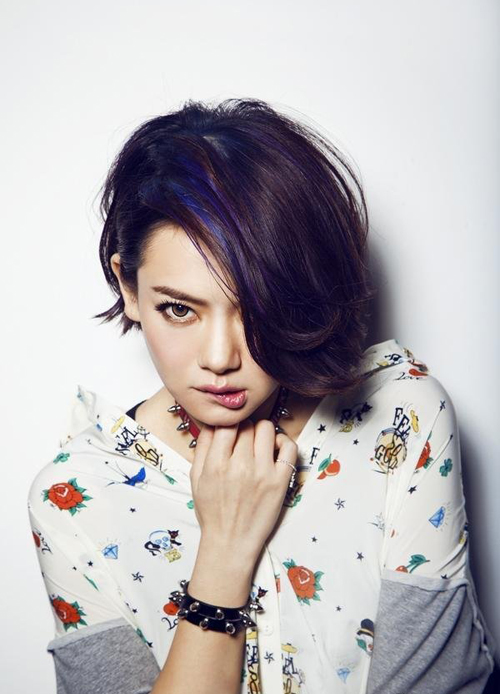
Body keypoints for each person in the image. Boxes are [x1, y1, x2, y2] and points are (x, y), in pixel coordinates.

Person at [27, 98, 495, 694]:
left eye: (255, 309)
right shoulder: (75, 500)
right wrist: (224, 551)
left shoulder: (402, 421)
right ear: (130, 287)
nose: (220, 358)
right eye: (179, 309)